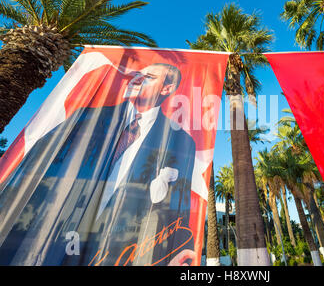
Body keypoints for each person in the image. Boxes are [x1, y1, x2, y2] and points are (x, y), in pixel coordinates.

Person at [0, 63, 197, 266]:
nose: (137, 79)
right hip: (54, 233)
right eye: (137, 75)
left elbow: (177, 204)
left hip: (119, 249)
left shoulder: (180, 141)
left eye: (148, 76)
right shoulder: (88, 117)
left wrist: (175, 252)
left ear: (166, 88)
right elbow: (38, 161)